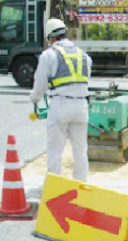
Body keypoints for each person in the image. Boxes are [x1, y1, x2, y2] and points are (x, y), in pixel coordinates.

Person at [30, 18, 92, 182]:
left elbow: (40, 83)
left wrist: (35, 98)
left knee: (55, 150)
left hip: (61, 105)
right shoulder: (84, 55)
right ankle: (81, 185)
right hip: (81, 106)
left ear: (50, 37)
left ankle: (55, 188)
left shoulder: (49, 55)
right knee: (80, 150)